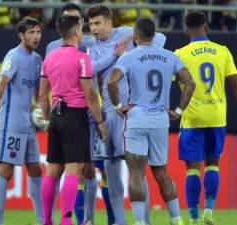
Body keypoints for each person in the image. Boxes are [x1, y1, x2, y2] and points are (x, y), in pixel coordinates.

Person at [107, 17, 195, 225]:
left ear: (136, 36)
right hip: (160, 120)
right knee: (161, 171)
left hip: (137, 118)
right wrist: (179, 110)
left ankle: (140, 222)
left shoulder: (129, 57)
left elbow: (111, 80)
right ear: (154, 36)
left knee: (136, 172)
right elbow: (190, 83)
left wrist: (118, 106)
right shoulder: (169, 56)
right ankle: (176, 219)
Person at [86, 5, 166, 225]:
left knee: (137, 170)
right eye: (91, 24)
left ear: (110, 23)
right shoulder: (92, 47)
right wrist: (114, 56)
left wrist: (131, 51)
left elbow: (159, 38)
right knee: (111, 172)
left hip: (132, 112)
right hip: (109, 113)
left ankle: (145, 221)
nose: (94, 28)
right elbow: (90, 71)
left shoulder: (125, 34)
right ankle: (119, 222)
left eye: (98, 23)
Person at [174, 11, 237, 225]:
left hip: (192, 117)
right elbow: (236, 85)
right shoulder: (222, 51)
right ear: (206, 28)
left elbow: (168, 83)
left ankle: (192, 218)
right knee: (212, 164)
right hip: (217, 116)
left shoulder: (180, 53)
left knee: (192, 167)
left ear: (185, 31)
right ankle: (209, 212)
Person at [44, 3, 114, 225]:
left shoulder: (49, 58)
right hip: (75, 117)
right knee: (74, 170)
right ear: (76, 32)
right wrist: (101, 121)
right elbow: (91, 95)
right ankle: (66, 221)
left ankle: (46, 220)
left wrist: (47, 118)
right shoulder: (81, 58)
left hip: (56, 115)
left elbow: (41, 94)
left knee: (53, 171)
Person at [0, 17, 43, 225]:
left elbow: (35, 90)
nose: (36, 37)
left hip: (28, 123)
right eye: (31, 33)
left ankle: (41, 219)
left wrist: (38, 107)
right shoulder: (13, 56)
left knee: (35, 168)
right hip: (11, 122)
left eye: (38, 32)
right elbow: (0, 84)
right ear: (21, 35)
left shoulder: (37, 59)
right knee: (6, 169)